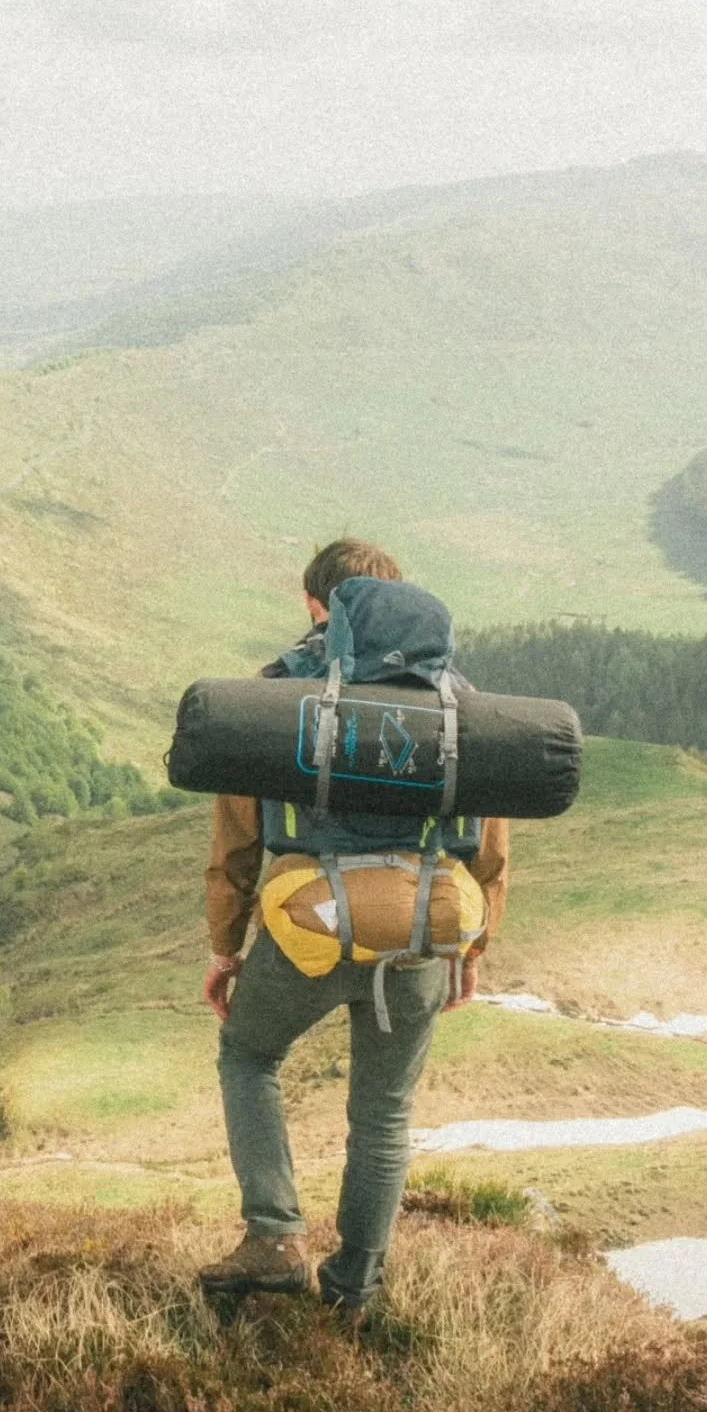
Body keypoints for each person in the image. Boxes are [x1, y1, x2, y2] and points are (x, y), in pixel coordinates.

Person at [198, 539, 510, 1321]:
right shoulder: (457, 701)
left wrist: (224, 948)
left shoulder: (281, 694)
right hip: (423, 929)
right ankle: (357, 1291)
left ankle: (273, 1237)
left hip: (308, 925)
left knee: (249, 1055)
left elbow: (236, 843)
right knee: (384, 1114)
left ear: (318, 608)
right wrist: (475, 947)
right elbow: (492, 846)